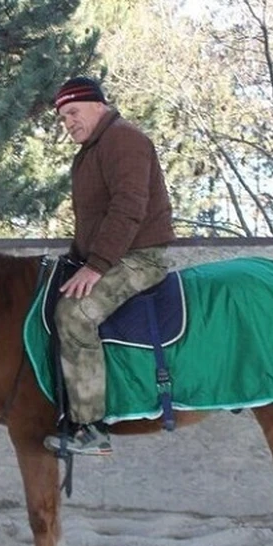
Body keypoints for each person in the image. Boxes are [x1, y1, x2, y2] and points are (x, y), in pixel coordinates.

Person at [43, 76, 176, 457]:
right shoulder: (91, 150)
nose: (68, 122)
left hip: (140, 258)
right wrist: (73, 260)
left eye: (73, 112)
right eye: (62, 117)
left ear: (98, 106)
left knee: (74, 313)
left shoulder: (123, 139)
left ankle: (91, 429)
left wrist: (95, 266)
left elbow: (129, 207)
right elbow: (91, 221)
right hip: (110, 256)